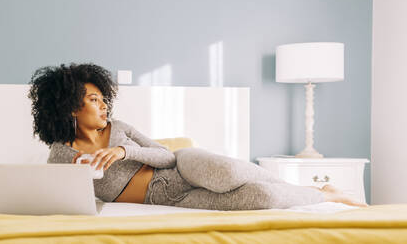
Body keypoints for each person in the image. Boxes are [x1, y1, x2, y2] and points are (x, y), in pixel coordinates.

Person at [28, 62, 367, 210]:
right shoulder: (60, 155)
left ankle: (314, 190)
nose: (103, 107)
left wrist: (123, 152)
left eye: (104, 99)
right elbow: (62, 201)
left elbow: (166, 154)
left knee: (230, 174)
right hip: (163, 199)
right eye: (93, 100)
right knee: (258, 199)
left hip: (180, 168)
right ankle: (324, 194)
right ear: (70, 107)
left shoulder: (121, 129)